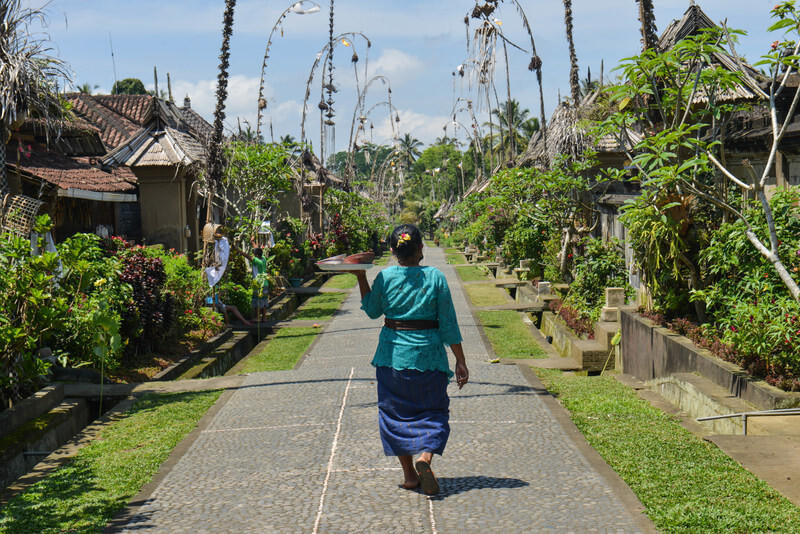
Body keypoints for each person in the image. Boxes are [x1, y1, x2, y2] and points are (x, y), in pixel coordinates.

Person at [354, 224, 469, 496]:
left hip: (392, 359)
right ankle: (425, 458)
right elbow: (449, 324)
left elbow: (372, 311)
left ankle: (409, 476)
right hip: (429, 358)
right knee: (435, 411)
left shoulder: (385, 277)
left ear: (394, 252)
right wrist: (461, 361)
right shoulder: (435, 278)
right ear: (420, 248)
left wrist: (361, 277)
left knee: (394, 415)